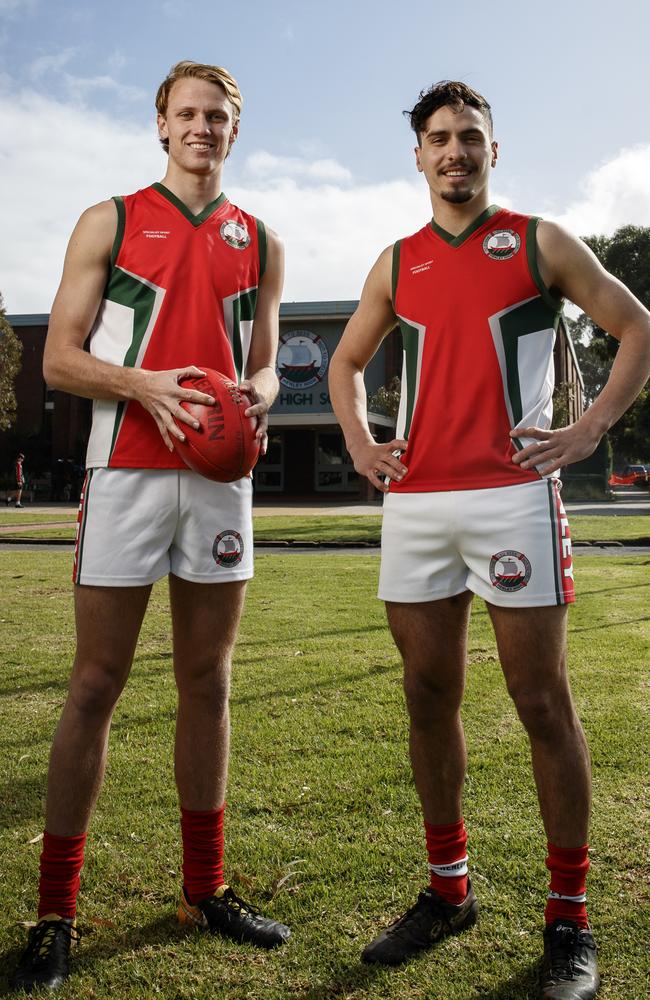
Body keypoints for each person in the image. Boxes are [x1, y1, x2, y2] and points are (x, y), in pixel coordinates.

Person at [329, 81, 650, 999]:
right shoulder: (396, 262)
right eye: (439, 139)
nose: (455, 152)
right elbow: (346, 362)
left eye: (471, 138)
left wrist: (585, 432)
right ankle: (447, 889)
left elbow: (637, 327)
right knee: (427, 694)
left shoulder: (539, 239)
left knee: (541, 701)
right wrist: (358, 442)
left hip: (515, 496)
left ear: (493, 152)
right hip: (418, 505)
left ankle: (570, 918)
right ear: (419, 156)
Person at [10, 60, 289, 994]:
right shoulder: (113, 219)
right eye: (187, 115)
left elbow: (266, 366)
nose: (202, 128)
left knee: (208, 681)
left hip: (218, 481)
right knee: (95, 682)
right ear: (161, 127)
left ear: (233, 132)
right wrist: (143, 386)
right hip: (125, 469)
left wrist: (255, 395)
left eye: (218, 117)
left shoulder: (263, 240)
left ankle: (203, 889)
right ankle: (55, 909)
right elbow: (57, 358)